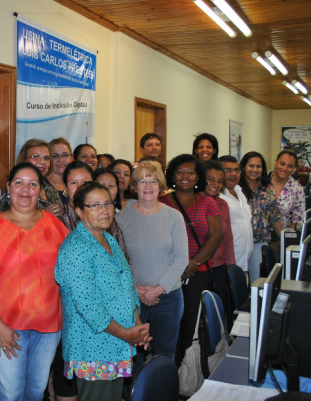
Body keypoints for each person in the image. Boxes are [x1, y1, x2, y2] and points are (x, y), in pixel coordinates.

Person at [0, 163, 70, 401]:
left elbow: (69, 276)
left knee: (36, 393)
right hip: (5, 326)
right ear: (8, 187)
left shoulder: (55, 226)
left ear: (40, 191)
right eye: (19, 183)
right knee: (9, 395)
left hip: (48, 329)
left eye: (33, 184)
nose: (25, 190)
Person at [55, 182, 151, 401]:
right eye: (95, 205)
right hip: (92, 347)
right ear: (79, 211)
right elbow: (89, 307)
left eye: (107, 203)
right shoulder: (75, 248)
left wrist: (138, 326)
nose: (105, 210)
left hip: (117, 342)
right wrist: (127, 334)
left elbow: (128, 286)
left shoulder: (108, 239)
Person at [117, 160, 188, 361]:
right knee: (134, 356)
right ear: (134, 186)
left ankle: (162, 393)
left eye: (153, 181)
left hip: (168, 298)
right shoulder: (122, 218)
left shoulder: (174, 216)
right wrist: (135, 289)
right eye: (142, 181)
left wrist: (158, 289)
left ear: (161, 186)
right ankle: (135, 393)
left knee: (164, 356)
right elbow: (119, 259)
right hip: (133, 298)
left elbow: (181, 257)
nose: (148, 186)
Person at [159, 154, 221, 365]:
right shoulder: (160, 202)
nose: (185, 176)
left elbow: (215, 237)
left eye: (190, 172)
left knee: (190, 325)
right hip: (166, 276)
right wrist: (177, 269)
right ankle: (165, 370)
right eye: (179, 172)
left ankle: (185, 372)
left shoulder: (208, 203)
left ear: (198, 177)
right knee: (168, 326)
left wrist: (192, 264)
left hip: (198, 274)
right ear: (172, 176)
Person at [238, 152, 283, 284]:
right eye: (251, 166)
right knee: (238, 283)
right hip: (239, 244)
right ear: (244, 167)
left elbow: (274, 216)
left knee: (258, 284)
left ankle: (255, 305)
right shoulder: (235, 188)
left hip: (259, 243)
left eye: (258, 166)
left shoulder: (268, 188)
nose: (255, 170)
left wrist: (284, 238)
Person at [202, 160, 236, 324]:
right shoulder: (193, 203)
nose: (215, 184)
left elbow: (228, 238)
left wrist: (231, 266)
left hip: (219, 268)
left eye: (220, 180)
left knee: (220, 311)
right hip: (198, 269)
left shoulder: (223, 205)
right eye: (210, 179)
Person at [0, 139, 63, 216]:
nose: (42, 162)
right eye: (35, 156)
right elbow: (6, 222)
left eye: (46, 158)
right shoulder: (14, 190)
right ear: (24, 160)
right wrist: (42, 215)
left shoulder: (51, 189)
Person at [218, 155, 254, 275]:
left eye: (236, 170)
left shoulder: (240, 191)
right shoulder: (218, 197)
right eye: (227, 170)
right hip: (228, 262)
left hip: (245, 260)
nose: (233, 174)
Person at [270, 149, 306, 230]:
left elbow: (297, 219)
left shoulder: (297, 188)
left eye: (290, 166)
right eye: (282, 164)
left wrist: (284, 239)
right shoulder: (261, 180)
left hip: (281, 234)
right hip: (256, 235)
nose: (285, 168)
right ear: (276, 162)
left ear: (294, 168)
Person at [46, 137, 73, 205]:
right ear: (48, 159)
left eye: (65, 155)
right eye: (55, 156)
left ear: (71, 158)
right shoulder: (40, 185)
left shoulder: (76, 183)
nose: (61, 160)